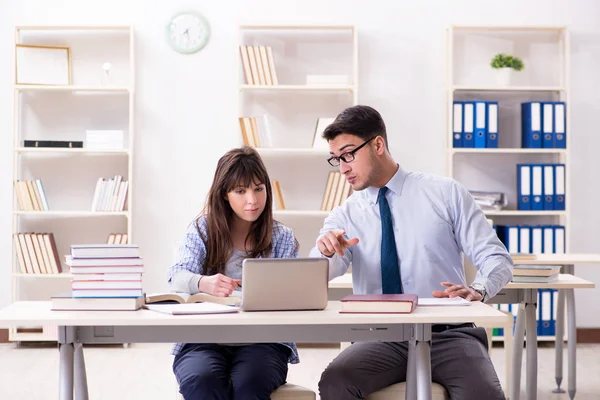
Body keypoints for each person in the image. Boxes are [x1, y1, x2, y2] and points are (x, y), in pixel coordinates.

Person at [309, 105, 512, 400]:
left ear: (378, 144)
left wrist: (478, 289)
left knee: (484, 394)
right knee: (335, 382)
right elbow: (316, 275)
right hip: (379, 336)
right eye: (337, 159)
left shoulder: (445, 193)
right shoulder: (346, 214)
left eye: (349, 154)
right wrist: (326, 252)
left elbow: (496, 257)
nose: (343, 168)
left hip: (448, 334)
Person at [168, 146, 300, 400]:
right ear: (225, 194)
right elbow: (177, 276)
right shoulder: (202, 230)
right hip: (203, 339)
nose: (252, 199)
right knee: (202, 380)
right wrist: (204, 283)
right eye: (241, 191)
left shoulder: (282, 236)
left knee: (249, 383)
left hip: (263, 341)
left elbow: (292, 294)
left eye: (258, 189)